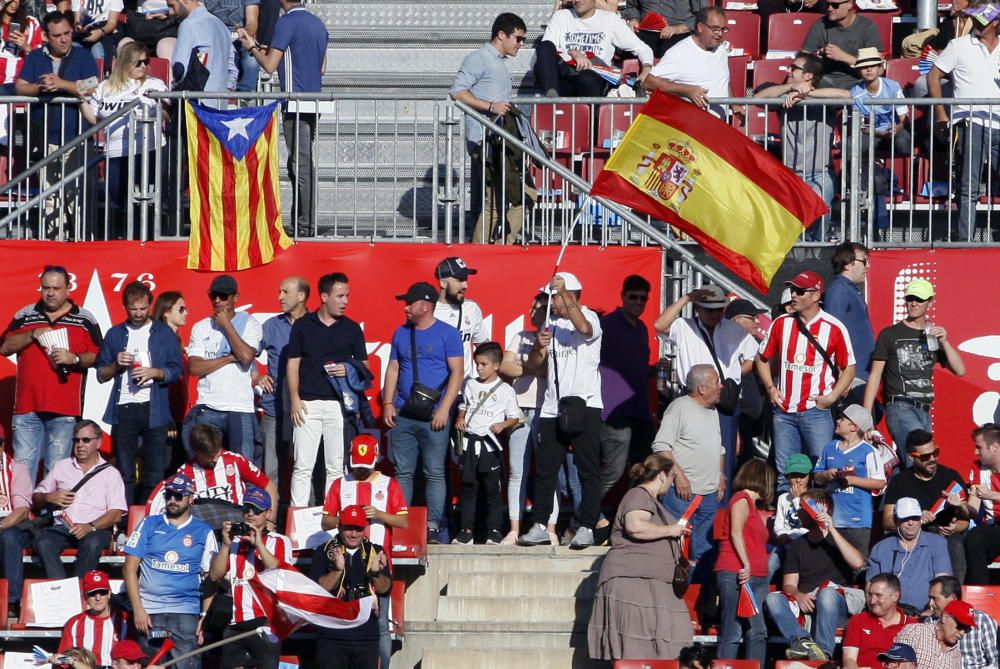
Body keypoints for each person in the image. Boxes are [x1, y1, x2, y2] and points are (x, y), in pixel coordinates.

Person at [519, 272, 604, 549]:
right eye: (551, 298)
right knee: (545, 470)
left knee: (587, 469)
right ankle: (541, 524)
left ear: (572, 295)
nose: (550, 303)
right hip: (553, 407)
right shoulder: (550, 326)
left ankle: (588, 525)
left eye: (553, 297)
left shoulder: (590, 316)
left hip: (585, 404)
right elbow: (534, 365)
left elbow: (583, 327)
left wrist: (564, 293)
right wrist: (536, 347)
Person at [756, 270, 856, 492]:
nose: (794, 295)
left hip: (815, 410)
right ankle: (786, 521)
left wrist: (831, 397)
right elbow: (762, 358)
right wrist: (771, 388)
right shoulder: (781, 323)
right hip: (784, 410)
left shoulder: (833, 326)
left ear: (816, 295)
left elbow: (849, 367)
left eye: (800, 291)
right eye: (793, 290)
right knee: (785, 471)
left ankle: (818, 518)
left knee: (821, 470)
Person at [587, 453, 692, 660]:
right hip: (634, 582)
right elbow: (635, 526)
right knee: (636, 650)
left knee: (670, 642)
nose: (672, 484)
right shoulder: (638, 495)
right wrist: (671, 530)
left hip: (653, 583)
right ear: (662, 475)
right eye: (672, 477)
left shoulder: (652, 502)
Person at [1, 265, 102, 479]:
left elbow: (99, 356)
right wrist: (33, 334)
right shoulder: (26, 314)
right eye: (45, 287)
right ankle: (22, 512)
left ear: (68, 289)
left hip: (64, 410)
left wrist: (73, 358)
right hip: (27, 409)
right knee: (22, 470)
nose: (50, 293)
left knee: (56, 470)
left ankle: (50, 512)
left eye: (56, 288)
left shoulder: (84, 318)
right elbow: (4, 347)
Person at [382, 281, 463, 545]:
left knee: (434, 472)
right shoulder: (401, 333)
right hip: (404, 412)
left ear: (426, 306)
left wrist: (444, 409)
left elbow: (457, 373)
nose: (405, 308)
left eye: (410, 303)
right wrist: (388, 403)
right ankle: (401, 524)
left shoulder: (448, 334)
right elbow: (393, 368)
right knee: (403, 472)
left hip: (434, 416)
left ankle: (433, 525)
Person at [237, 0, 326, 235]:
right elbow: (322, 67)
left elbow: (269, 65)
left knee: (300, 163)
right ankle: (303, 222)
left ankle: (305, 225)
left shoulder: (286, 23)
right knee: (302, 161)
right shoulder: (317, 23)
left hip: (295, 102)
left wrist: (251, 47)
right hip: (313, 100)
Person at [654, 284, 757, 487]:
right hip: (694, 397)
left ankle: (718, 508)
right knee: (691, 451)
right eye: (709, 309)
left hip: (724, 397)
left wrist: (731, 378)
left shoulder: (734, 329)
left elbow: (753, 358)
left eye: (719, 309)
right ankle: (691, 500)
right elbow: (659, 325)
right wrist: (686, 298)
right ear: (698, 308)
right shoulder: (684, 326)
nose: (715, 314)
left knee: (723, 455)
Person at [320, 434, 408, 669]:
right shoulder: (340, 483)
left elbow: (403, 521)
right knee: (338, 616)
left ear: (377, 458)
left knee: (380, 624)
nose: (360, 471)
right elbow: (326, 521)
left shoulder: (389, 484)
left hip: (376, 561)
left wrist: (378, 514)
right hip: (343, 559)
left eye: (365, 467)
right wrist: (347, 518)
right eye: (357, 466)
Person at [449, 13, 534, 246]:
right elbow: (457, 92)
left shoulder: (496, 62)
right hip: (485, 141)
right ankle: (484, 250)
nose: (521, 44)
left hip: (500, 141)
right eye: (518, 38)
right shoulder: (479, 58)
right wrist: (490, 106)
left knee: (520, 196)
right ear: (501, 35)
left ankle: (497, 246)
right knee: (495, 202)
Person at [96, 281, 183, 505]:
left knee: (155, 472)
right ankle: (124, 521)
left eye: (143, 309)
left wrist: (156, 372)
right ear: (125, 307)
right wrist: (116, 365)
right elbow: (101, 374)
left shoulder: (164, 333)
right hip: (124, 408)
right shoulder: (115, 334)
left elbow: (177, 370)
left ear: (150, 305)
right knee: (124, 472)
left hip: (154, 410)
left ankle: (147, 519)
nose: (138, 313)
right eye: (133, 309)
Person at [286, 272, 368, 507]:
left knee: (336, 467)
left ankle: (334, 517)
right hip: (306, 404)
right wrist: (294, 398)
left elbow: (365, 367)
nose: (345, 301)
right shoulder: (303, 326)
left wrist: (348, 368)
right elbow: (293, 364)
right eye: (340, 296)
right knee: (303, 466)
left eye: (347, 296)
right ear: (324, 296)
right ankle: (297, 522)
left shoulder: (352, 329)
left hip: (338, 406)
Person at [14, 12, 99, 237]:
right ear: (45, 36)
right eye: (57, 35)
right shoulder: (35, 58)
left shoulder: (83, 56)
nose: (63, 39)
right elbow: (20, 87)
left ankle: (81, 245)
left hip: (77, 138)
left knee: (77, 199)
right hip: (46, 140)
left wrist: (63, 84)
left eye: (67, 34)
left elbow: (93, 86)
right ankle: (54, 245)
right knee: (50, 199)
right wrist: (38, 88)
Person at [864, 279, 965, 466]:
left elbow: (960, 370)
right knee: (919, 459)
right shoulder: (890, 334)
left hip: (924, 408)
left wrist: (945, 342)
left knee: (909, 462)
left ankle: (894, 492)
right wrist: (866, 417)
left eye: (919, 299)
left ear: (930, 302)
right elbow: (875, 375)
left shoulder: (932, 336)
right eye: (910, 298)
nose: (913, 303)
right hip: (900, 405)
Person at [753, 51, 852, 239]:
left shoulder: (824, 96)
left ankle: (817, 262)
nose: (789, 70)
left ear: (809, 76)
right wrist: (790, 88)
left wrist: (806, 95)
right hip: (791, 173)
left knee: (820, 221)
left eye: (795, 68)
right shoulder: (783, 94)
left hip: (820, 173)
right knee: (792, 228)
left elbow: (847, 95)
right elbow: (757, 98)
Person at [124, 473, 218, 669]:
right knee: (150, 665)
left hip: (186, 613)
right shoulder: (148, 524)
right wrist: (138, 609)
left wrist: (204, 617)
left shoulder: (204, 531)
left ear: (191, 498)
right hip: (150, 613)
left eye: (178, 496)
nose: (172, 500)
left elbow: (212, 578)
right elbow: (129, 568)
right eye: (169, 495)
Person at [764, 488, 866, 660]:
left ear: (821, 508)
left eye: (804, 507)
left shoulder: (842, 537)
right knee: (773, 598)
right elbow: (789, 584)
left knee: (826, 594)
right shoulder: (797, 545)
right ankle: (803, 641)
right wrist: (798, 595)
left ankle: (823, 653)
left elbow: (858, 563)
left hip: (837, 607)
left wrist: (831, 529)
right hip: (808, 608)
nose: (798, 512)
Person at [927, 3, 1000, 242]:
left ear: (996, 22)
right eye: (974, 19)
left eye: (981, 20)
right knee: (968, 187)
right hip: (968, 121)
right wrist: (940, 111)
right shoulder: (958, 45)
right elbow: (933, 75)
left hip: (998, 121)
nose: (975, 24)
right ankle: (965, 240)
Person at [79, 43, 166, 239]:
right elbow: (95, 119)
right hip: (115, 151)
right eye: (138, 62)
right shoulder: (105, 87)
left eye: (146, 61)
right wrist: (81, 100)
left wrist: (154, 101)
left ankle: (145, 240)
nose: (143, 66)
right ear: (125, 63)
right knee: (118, 198)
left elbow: (167, 113)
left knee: (145, 200)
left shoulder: (153, 84)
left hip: (145, 149)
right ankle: (126, 240)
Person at [184, 274, 263, 466]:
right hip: (209, 406)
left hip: (240, 407)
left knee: (243, 466)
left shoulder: (250, 324)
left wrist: (227, 325)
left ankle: (241, 497)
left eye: (223, 296)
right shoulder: (201, 327)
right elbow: (194, 367)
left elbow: (245, 357)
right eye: (213, 296)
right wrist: (228, 358)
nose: (217, 301)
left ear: (235, 298)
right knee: (205, 463)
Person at [32, 420, 127, 581]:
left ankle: (81, 591)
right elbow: (36, 497)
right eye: (76, 440)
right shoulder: (62, 466)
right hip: (63, 528)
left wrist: (90, 527)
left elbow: (116, 513)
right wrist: (49, 497)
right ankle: (63, 590)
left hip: (95, 529)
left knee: (92, 544)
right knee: (43, 542)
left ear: (98, 442)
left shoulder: (111, 474)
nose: (80, 445)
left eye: (86, 440)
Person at [208, 486, 290, 669]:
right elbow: (214, 575)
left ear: (268, 513)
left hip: (266, 624)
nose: (251, 513)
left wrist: (259, 544)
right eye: (247, 508)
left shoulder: (280, 541)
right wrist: (225, 545)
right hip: (235, 623)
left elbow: (281, 572)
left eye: (256, 510)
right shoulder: (234, 541)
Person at [499, 293, 558, 546]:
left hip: (547, 409)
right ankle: (514, 528)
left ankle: (551, 528)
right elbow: (504, 367)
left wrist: (523, 366)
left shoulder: (559, 336)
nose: (534, 310)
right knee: (516, 472)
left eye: (541, 307)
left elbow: (554, 370)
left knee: (547, 473)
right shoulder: (521, 336)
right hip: (520, 408)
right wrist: (534, 367)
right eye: (533, 306)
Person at [651, 364, 725, 565]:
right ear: (702, 388)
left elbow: (718, 447)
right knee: (674, 546)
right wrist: (679, 477)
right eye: (716, 382)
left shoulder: (712, 411)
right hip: (682, 493)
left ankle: (698, 594)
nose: (721, 386)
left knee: (704, 554)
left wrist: (720, 475)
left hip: (709, 494)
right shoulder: (679, 408)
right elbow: (661, 446)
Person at [454, 342, 521, 545]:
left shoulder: (505, 390)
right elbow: (464, 405)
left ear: (496, 365)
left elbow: (515, 416)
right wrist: (460, 417)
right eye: (477, 364)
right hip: (469, 445)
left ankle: (494, 530)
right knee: (469, 488)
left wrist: (503, 424)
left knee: (492, 490)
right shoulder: (471, 384)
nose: (479, 368)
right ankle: (466, 531)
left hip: (490, 447)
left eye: (483, 364)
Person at [310, 505, 392, 669]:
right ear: (339, 527)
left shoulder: (376, 551)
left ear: (365, 528)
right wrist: (337, 570)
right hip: (331, 637)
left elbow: (385, 589)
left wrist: (376, 573)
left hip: (366, 638)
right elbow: (316, 591)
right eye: (348, 528)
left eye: (358, 528)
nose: (353, 534)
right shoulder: (324, 552)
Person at [882, 430, 969, 583]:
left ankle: (952, 597)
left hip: (947, 536)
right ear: (911, 457)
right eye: (925, 457)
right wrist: (915, 518)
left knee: (955, 544)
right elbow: (887, 521)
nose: (932, 459)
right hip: (913, 535)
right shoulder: (900, 481)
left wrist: (954, 527)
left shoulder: (951, 477)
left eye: (935, 453)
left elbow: (965, 522)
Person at [715, 459, 776, 665]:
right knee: (732, 630)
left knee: (758, 631)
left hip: (757, 578)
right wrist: (746, 563)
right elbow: (735, 532)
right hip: (737, 573)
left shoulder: (754, 507)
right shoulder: (740, 498)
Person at [599, 275, 654, 498]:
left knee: (643, 470)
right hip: (614, 412)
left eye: (643, 298)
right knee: (613, 471)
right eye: (633, 297)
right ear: (623, 296)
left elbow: (635, 365)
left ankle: (628, 519)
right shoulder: (607, 325)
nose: (638, 302)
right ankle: (581, 521)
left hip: (640, 411)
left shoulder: (642, 328)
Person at [148, 423, 278, 515]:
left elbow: (270, 488)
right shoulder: (184, 473)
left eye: (218, 452)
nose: (216, 458)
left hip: (237, 526)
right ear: (197, 452)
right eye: (210, 456)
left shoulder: (235, 460)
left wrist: (271, 521)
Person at [534, 0, 653, 97]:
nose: (577, 0)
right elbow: (547, 52)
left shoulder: (610, 19)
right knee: (544, 46)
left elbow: (643, 48)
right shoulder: (561, 16)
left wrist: (645, 71)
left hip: (594, 77)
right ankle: (552, 98)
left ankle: (592, 122)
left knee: (587, 78)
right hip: (565, 76)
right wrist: (573, 53)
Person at [812, 404, 885, 556]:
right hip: (831, 519)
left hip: (858, 520)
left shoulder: (868, 451)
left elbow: (880, 482)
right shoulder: (829, 447)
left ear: (854, 427)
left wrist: (851, 480)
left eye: (843, 419)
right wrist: (827, 475)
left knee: (857, 566)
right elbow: (817, 478)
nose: (838, 421)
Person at [258, 277, 309, 487]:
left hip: (306, 408)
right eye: (279, 291)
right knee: (271, 469)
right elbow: (246, 354)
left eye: (285, 292)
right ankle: (271, 519)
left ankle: (308, 516)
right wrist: (256, 374)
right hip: (274, 408)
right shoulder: (271, 325)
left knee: (307, 467)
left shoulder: (316, 325)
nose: (279, 297)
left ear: (301, 296)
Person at [642, 7, 732, 118]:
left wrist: (735, 105)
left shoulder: (721, 49)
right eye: (715, 29)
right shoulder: (679, 52)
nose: (720, 34)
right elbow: (649, 82)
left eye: (723, 29)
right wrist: (687, 90)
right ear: (700, 27)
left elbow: (723, 80)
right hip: (688, 128)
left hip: (717, 127)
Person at [868, 497, 952, 612]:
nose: (911, 523)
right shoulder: (881, 548)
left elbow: (943, 583)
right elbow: (871, 588)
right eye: (905, 519)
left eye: (915, 518)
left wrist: (932, 611)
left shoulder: (937, 543)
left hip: (926, 614)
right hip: (888, 614)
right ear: (896, 520)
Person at [824, 242, 875, 404]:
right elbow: (832, 334)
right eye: (864, 261)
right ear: (848, 263)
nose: (868, 266)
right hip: (850, 377)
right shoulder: (839, 289)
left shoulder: (849, 289)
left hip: (858, 375)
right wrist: (842, 374)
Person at [801, 0, 883, 89]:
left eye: (835, 5)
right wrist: (817, 55)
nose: (829, 8)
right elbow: (803, 58)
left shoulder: (867, 27)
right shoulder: (820, 25)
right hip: (825, 80)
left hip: (858, 82)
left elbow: (879, 70)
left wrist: (843, 56)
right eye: (827, 4)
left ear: (849, 4)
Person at [843, 574, 919, 669]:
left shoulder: (912, 626)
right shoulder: (858, 621)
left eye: (878, 595)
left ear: (895, 596)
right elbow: (849, 660)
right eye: (870, 595)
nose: (872, 601)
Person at [166, 0, 236, 101]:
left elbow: (180, 68)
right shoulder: (221, 24)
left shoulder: (189, 24)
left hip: (196, 104)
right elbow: (233, 67)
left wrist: (174, 95)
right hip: (220, 103)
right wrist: (227, 89)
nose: (170, 12)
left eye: (172, 6)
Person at [59, 570, 131, 667]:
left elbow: (132, 659)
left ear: (109, 594)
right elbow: (63, 660)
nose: (98, 598)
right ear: (85, 596)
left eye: (102, 592)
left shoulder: (124, 619)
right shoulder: (74, 623)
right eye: (92, 593)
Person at [927, 576, 999, 669]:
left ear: (952, 598)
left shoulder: (982, 621)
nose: (930, 604)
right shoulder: (929, 623)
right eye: (930, 598)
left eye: (934, 599)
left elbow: (996, 662)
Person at [433, 257, 489, 378]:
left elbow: (483, 345)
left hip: (463, 391)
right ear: (443, 282)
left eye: (466, 280)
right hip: (434, 391)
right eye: (459, 280)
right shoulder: (427, 310)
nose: (465, 285)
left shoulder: (471, 308)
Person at [0, 427, 34, 620]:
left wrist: (1, 525)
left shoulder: (18, 468)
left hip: (14, 523)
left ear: (3, 445)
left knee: (8, 538)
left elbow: (22, 510)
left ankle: (12, 600)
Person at [963, 423, 1000, 584]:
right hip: (994, 529)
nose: (975, 452)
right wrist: (959, 506)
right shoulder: (979, 469)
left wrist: (992, 495)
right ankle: (980, 594)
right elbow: (973, 508)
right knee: (974, 537)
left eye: (979, 447)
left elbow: (988, 495)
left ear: (994, 447)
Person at [893, 600, 972, 669]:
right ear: (945, 617)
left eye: (966, 629)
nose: (962, 632)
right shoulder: (916, 632)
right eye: (960, 626)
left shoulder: (956, 654)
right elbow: (896, 666)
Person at [621, 0, 711, 56]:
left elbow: (704, 14)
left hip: (679, 32)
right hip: (645, 29)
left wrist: (680, 28)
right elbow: (632, 5)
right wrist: (634, 19)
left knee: (669, 51)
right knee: (625, 47)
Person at [203, 0, 257, 92]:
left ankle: (244, 96)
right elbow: (199, 18)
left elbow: (252, 24)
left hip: (238, 36)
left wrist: (244, 32)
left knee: (252, 59)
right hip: (211, 36)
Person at [0, 0, 43, 87]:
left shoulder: (31, 23)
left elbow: (40, 58)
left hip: (20, 85)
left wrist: (27, 48)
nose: (15, 2)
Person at [69, 0, 122, 67]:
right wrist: (79, 27)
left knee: (96, 49)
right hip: (84, 33)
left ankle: (99, 75)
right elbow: (77, 21)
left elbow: (112, 23)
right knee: (73, 48)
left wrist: (101, 32)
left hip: (105, 32)